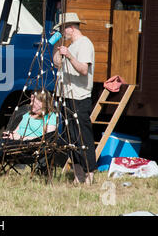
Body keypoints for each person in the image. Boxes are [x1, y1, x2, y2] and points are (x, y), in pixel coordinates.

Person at [52, 12, 96, 185]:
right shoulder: (69, 44)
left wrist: (69, 55)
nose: (62, 33)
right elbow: (57, 63)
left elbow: (84, 70)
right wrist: (57, 46)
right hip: (65, 96)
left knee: (83, 137)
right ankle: (78, 176)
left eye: (62, 30)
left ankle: (89, 175)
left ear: (70, 28)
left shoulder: (85, 44)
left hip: (79, 97)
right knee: (70, 137)